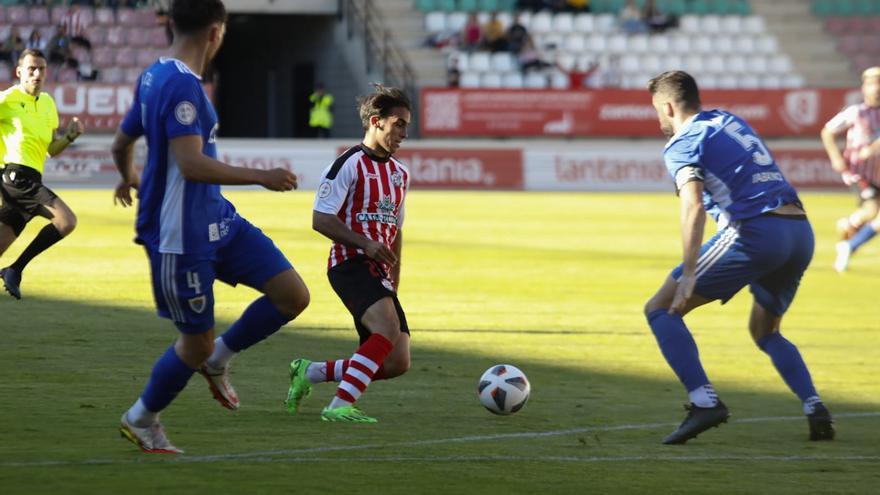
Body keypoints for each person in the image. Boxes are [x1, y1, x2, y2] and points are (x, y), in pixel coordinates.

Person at [111, 0, 309, 454]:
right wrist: (262, 175)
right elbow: (192, 164)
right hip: (181, 237)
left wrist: (130, 177)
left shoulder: (154, 74)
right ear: (216, 32)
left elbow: (122, 142)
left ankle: (220, 358)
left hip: (218, 220)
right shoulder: (181, 86)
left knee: (292, 295)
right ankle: (141, 418)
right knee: (193, 344)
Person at [644, 71, 834, 445]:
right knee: (765, 331)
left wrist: (690, 273)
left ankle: (704, 402)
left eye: (657, 111)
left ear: (667, 107)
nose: (658, 120)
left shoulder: (683, 141)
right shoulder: (730, 120)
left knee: (661, 309)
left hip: (757, 233)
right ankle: (815, 406)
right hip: (799, 231)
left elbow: (693, 207)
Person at [285, 83, 412, 424]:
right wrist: (365, 243)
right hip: (350, 262)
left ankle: (309, 372)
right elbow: (320, 219)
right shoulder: (348, 164)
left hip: (379, 272)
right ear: (376, 121)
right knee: (386, 329)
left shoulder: (400, 174)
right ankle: (338, 405)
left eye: (406, 126)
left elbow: (396, 229)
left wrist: (394, 277)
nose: (402, 132)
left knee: (397, 361)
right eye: (397, 123)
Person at [0, 49, 84, 300]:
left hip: (32, 181)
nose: (37, 73)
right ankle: (15, 270)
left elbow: (51, 151)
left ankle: (12, 269)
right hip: (15, 178)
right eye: (31, 69)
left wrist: (70, 137)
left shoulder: (48, 104)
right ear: (19, 72)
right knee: (66, 221)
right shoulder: (7, 99)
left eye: (42, 69)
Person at [820, 66, 880, 272]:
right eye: (873, 83)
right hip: (861, 173)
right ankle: (849, 238)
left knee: (876, 218)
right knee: (872, 211)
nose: (877, 88)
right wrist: (836, 157)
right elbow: (827, 132)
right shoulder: (856, 112)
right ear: (864, 87)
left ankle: (849, 237)